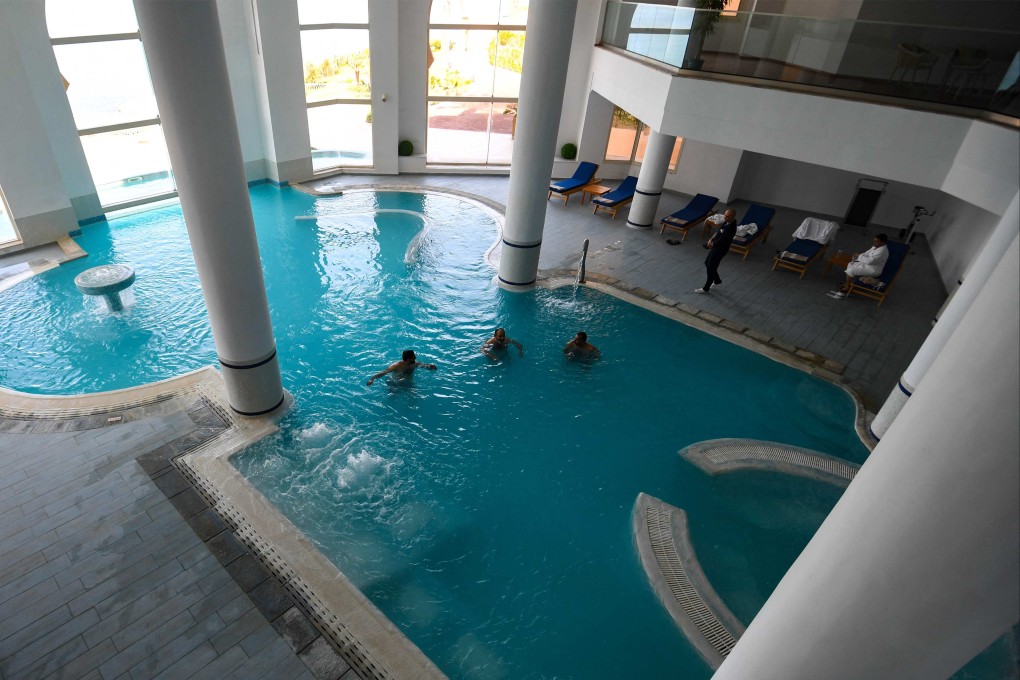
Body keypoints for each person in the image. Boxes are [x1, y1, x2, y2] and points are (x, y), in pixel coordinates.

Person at [828, 234, 889, 299]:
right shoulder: (876, 246)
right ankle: (848, 283)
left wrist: (859, 255)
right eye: (874, 241)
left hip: (873, 270)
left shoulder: (882, 251)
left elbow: (869, 261)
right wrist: (859, 256)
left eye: (876, 241)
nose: (874, 243)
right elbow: (865, 253)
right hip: (866, 265)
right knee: (851, 264)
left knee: (851, 270)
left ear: (883, 242)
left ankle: (846, 287)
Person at [694, 208, 737, 294]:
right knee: (707, 263)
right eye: (725, 215)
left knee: (711, 267)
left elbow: (722, 239)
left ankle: (706, 288)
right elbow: (718, 232)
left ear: (732, 217)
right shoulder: (726, 222)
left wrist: (711, 244)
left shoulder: (731, 228)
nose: (725, 217)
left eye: (727, 216)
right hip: (715, 246)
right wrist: (711, 239)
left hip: (720, 249)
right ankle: (717, 280)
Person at [366, 349, 436, 385]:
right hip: (394, 382)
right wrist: (371, 379)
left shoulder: (414, 363)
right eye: (414, 356)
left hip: (407, 382)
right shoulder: (396, 366)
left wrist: (430, 366)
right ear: (409, 359)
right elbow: (383, 372)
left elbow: (423, 365)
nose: (415, 357)